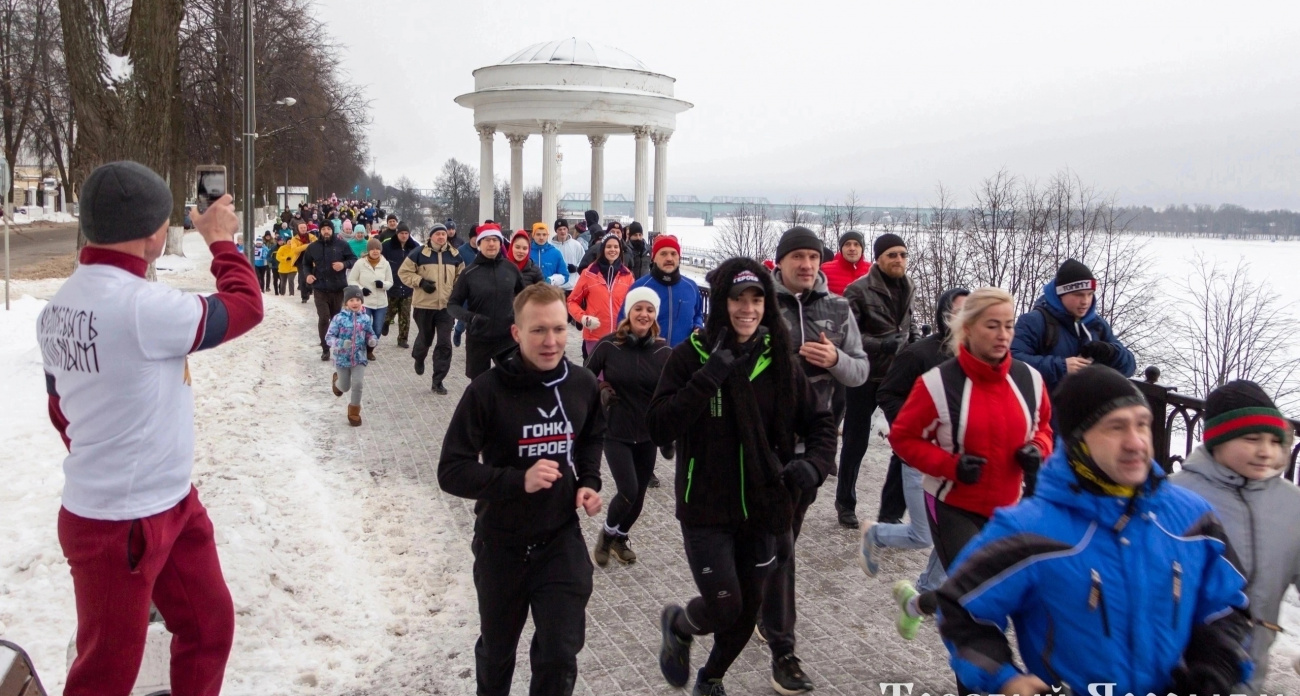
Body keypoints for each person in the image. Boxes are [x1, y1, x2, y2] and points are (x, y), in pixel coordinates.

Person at [38, 161, 262, 696]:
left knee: (209, 625)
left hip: (171, 504)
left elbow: (60, 410)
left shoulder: (59, 306)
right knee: (106, 670)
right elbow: (246, 307)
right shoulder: (141, 306)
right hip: (118, 522)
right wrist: (222, 242)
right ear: (153, 233)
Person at [935, 365, 1253, 696]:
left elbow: (1229, 607)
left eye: (1142, 424)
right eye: (1116, 427)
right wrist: (1004, 679)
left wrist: (1215, 668)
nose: (1136, 442)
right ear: (1078, 442)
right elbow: (960, 608)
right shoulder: (1028, 531)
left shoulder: (1193, 518)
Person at [648, 258, 837, 696]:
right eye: (737, 299)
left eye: (756, 299)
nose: (747, 309)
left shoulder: (778, 360)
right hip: (706, 505)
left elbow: (821, 424)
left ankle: (710, 678)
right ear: (722, 304)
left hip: (766, 505)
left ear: (767, 304)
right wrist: (711, 373)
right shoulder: (691, 354)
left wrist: (813, 467)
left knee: (748, 609)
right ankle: (680, 623)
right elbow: (658, 426)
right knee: (725, 604)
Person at [437, 283, 605, 696]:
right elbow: (451, 470)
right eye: (538, 331)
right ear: (516, 333)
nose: (551, 341)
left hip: (559, 540)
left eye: (560, 329)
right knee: (498, 652)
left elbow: (590, 437)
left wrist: (588, 482)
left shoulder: (582, 384)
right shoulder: (487, 391)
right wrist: (518, 480)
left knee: (559, 653)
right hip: (502, 543)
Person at [884, 288, 1053, 645]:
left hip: (1008, 509)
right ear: (968, 328)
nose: (1003, 334)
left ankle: (916, 604)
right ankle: (977, 672)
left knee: (975, 590)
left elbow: (1043, 427)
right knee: (980, 602)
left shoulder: (1029, 381)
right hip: (951, 505)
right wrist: (951, 466)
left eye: (1009, 325)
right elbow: (903, 438)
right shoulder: (938, 383)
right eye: (992, 325)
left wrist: (1037, 449)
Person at [760, 227, 871, 694]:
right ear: (780, 262)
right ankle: (783, 649)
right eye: (797, 257)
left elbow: (861, 370)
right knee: (780, 544)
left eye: (813, 257)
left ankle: (761, 608)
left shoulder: (840, 308)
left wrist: (834, 360)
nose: (807, 265)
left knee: (784, 540)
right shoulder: (758, 303)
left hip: (817, 446)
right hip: (764, 446)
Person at [1171, 380, 1299, 692]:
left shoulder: (1291, 503)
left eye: (1274, 440)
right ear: (1217, 441)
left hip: (1252, 669)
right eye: (1252, 438)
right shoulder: (1175, 496)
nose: (1265, 451)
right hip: (1182, 670)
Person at [862, 288, 970, 596]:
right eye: (959, 311)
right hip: (920, 459)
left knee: (953, 533)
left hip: (958, 462)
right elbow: (887, 395)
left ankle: (927, 590)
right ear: (944, 315)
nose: (966, 318)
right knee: (923, 535)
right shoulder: (919, 354)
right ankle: (876, 534)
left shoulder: (978, 358)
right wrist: (916, 428)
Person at [585, 287, 672, 566]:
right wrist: (601, 388)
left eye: (649, 310)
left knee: (639, 496)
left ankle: (620, 537)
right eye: (638, 309)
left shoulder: (663, 351)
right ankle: (606, 537)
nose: (644, 314)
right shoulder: (609, 345)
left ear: (655, 316)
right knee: (628, 490)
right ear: (628, 312)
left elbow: (673, 391)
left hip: (647, 434)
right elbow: (585, 376)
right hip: (615, 431)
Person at [839, 233, 918, 528]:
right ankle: (845, 502)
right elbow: (847, 336)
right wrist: (882, 345)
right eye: (892, 255)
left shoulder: (909, 286)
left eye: (903, 254)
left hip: (898, 377)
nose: (899, 260)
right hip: (864, 374)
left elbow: (906, 330)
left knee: (905, 441)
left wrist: (915, 344)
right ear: (879, 258)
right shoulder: (857, 290)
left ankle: (891, 512)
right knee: (855, 442)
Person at [1011, 258, 1136, 394]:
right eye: (1078, 295)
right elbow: (1012, 362)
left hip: (1089, 411)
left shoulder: (1097, 325)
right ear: (1060, 294)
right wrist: (1062, 367)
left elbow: (1129, 367)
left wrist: (1110, 352)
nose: (1085, 301)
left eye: (1090, 294)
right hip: (1046, 410)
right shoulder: (1034, 321)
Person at [447, 225, 524, 379]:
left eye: (495, 240)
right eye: (487, 240)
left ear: (500, 243)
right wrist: (471, 318)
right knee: (480, 385)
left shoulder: (511, 269)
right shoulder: (469, 273)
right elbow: (452, 305)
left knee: (512, 381)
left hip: (507, 339)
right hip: (479, 338)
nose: (491, 244)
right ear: (479, 243)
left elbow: (525, 298)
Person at [399, 222, 465, 394]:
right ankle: (419, 357)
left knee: (444, 344)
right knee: (425, 339)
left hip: (446, 308)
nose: (441, 237)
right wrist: (420, 282)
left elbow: (461, 278)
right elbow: (403, 273)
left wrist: (456, 295)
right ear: (431, 236)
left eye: (443, 234)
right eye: (438, 234)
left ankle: (438, 380)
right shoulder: (419, 253)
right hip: (424, 305)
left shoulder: (455, 255)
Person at [623, 234, 704, 348]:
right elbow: (623, 321)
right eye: (663, 254)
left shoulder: (691, 287)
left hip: (682, 358)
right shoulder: (640, 287)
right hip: (648, 358)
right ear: (654, 257)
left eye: (673, 254)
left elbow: (698, 315)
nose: (669, 258)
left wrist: (698, 326)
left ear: (679, 257)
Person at [568, 234, 635, 355]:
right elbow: (572, 301)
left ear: (620, 250)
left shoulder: (627, 275)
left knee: (616, 374)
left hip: (620, 338)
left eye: (616, 247)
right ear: (602, 249)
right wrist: (583, 318)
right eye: (608, 246)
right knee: (597, 374)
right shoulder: (589, 273)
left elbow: (634, 305)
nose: (612, 250)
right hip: (594, 337)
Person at [303, 222, 358, 361]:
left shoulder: (342, 245)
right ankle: (325, 348)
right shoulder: (313, 247)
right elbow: (305, 264)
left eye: (328, 229)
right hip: (320, 288)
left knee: (336, 319)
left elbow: (353, 259)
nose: (326, 231)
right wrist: (308, 275)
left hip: (338, 289)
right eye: (323, 229)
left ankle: (338, 346)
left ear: (332, 231)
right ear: (320, 231)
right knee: (323, 318)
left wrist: (343, 264)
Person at [326, 286, 378, 426]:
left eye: (357, 300)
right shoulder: (338, 318)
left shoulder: (366, 318)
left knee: (358, 384)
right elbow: (329, 338)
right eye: (351, 300)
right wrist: (341, 343)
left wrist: (372, 340)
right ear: (345, 303)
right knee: (345, 387)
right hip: (342, 358)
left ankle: (354, 412)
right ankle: (337, 382)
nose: (355, 303)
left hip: (359, 357)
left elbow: (370, 333)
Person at [347, 238, 393, 361]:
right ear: (368, 250)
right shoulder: (360, 263)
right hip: (365, 302)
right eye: (372, 249)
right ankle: (360, 351)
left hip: (381, 303)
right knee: (363, 328)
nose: (375, 251)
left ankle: (370, 350)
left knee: (377, 329)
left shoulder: (385, 263)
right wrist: (361, 289)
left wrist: (383, 284)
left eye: (377, 248)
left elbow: (390, 281)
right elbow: (351, 279)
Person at [380, 224, 419, 348]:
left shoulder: (414, 248)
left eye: (406, 233)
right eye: (401, 233)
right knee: (391, 309)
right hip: (393, 283)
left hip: (408, 285)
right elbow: (381, 262)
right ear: (397, 234)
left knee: (405, 313)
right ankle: (385, 322)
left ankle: (402, 339)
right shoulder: (388, 246)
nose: (404, 236)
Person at [820, 230, 870, 296]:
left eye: (856, 244)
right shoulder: (825, 270)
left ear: (862, 249)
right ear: (841, 249)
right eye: (847, 244)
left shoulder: (872, 271)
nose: (852, 248)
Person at [528, 222, 569, 287]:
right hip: (529, 293)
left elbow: (565, 275)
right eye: (538, 234)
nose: (541, 237)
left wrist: (552, 280)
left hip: (549, 293)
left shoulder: (555, 253)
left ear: (547, 235)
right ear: (533, 235)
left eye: (544, 235)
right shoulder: (526, 252)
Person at [552, 219, 587, 292]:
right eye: (559, 229)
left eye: (564, 229)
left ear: (567, 230)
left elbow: (584, 262)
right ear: (556, 231)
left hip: (572, 287)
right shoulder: (551, 246)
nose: (562, 231)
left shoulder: (576, 245)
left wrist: (576, 268)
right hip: (555, 288)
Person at [288, 222, 316, 302]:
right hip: (300, 260)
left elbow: (317, 245)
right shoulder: (294, 239)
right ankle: (304, 296)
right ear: (298, 229)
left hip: (312, 259)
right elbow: (295, 250)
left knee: (313, 276)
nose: (303, 229)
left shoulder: (312, 236)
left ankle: (310, 290)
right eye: (301, 228)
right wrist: (307, 245)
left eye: (304, 227)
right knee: (303, 278)